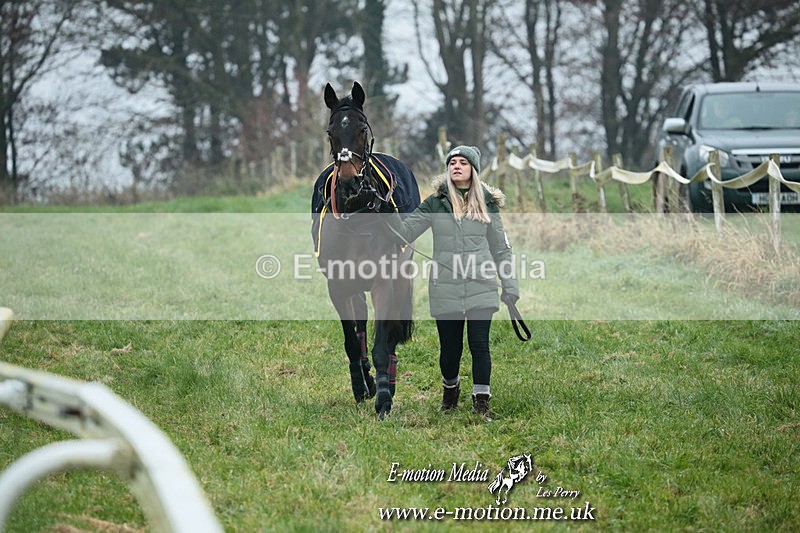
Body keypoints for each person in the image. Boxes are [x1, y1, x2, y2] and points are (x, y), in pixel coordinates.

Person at [382, 145, 519, 421]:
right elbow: (406, 232)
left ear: (473, 169)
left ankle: (482, 403)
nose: (456, 166)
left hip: (481, 283)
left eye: (463, 163)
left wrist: (510, 286)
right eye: (452, 162)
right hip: (445, 285)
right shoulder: (435, 202)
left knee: (480, 345)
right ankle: (450, 393)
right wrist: (389, 211)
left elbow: (501, 249)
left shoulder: (488, 205)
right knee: (450, 348)